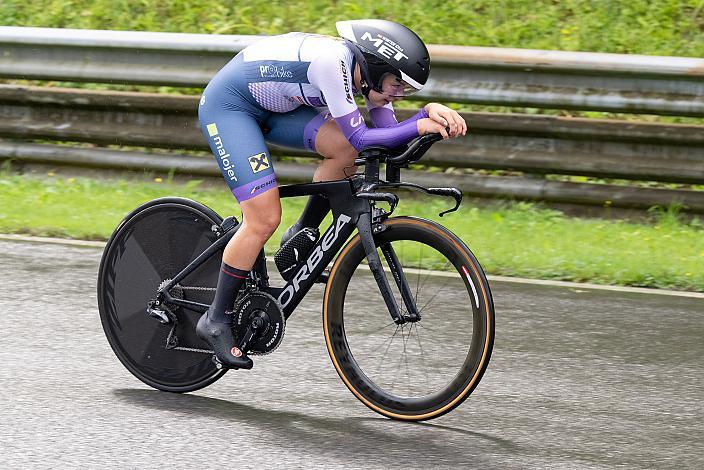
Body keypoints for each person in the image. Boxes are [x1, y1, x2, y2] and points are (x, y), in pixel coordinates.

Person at [196, 19, 467, 369]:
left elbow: (388, 134)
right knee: (263, 218)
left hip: (278, 108)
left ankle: (301, 237)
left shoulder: (368, 80)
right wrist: (419, 123)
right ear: (375, 66)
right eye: (397, 84)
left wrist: (428, 113)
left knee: (343, 152)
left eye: (407, 90)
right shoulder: (332, 63)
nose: (398, 94)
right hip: (231, 108)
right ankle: (215, 319)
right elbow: (363, 137)